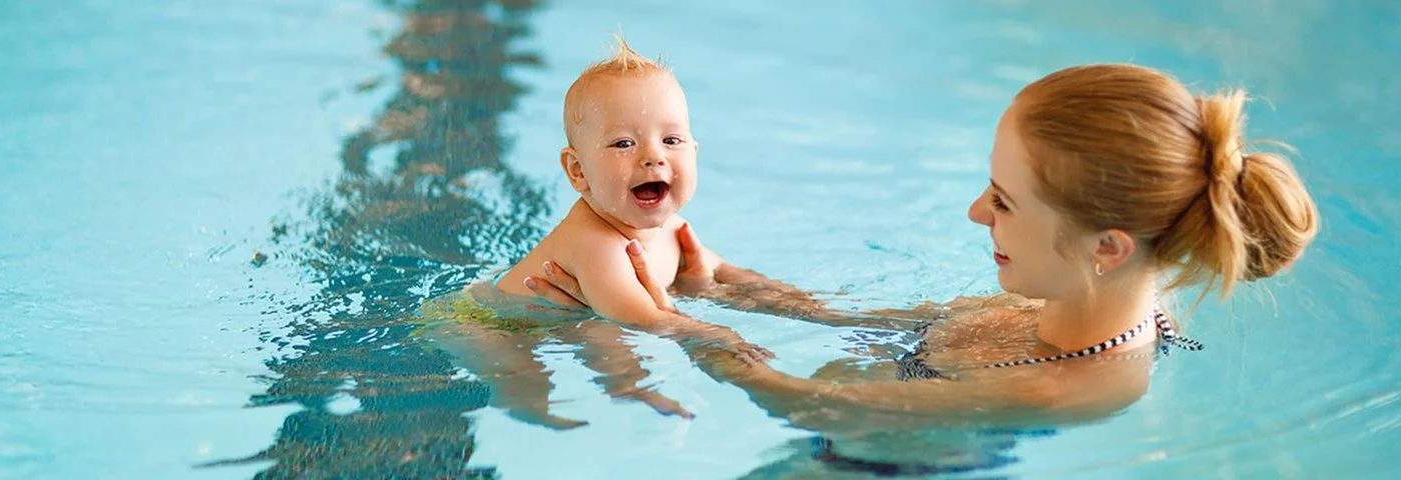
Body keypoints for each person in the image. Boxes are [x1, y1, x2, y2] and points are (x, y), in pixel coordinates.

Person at [524, 63, 1320, 430]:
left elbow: (809, 402)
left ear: (1105, 247)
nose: (976, 212)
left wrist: (695, 339)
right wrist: (721, 283)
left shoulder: (1067, 388)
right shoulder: (1073, 295)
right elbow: (867, 321)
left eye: (1003, 201)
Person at [419, 37, 771, 429]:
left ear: (694, 150)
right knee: (523, 376)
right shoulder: (594, 243)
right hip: (484, 324)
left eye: (671, 140)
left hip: (566, 314)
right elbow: (639, 317)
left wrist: (810, 307)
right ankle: (567, 401)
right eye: (624, 143)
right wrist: (714, 333)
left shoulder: (669, 225)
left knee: (599, 331)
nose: (653, 156)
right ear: (578, 171)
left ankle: (623, 385)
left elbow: (726, 274)